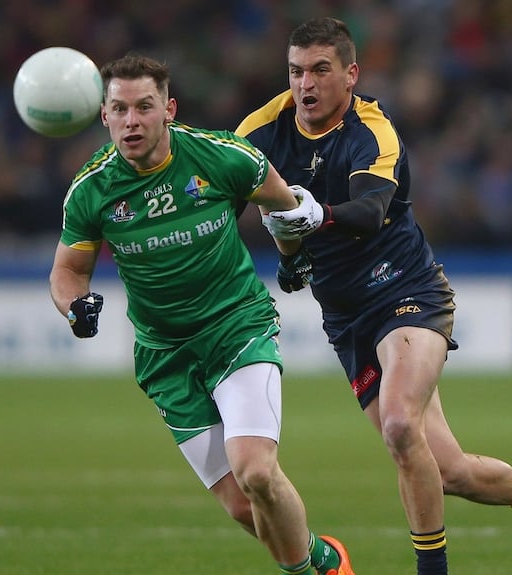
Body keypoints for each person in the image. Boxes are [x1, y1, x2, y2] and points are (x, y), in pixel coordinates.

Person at [235, 17, 512, 575]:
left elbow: (368, 212)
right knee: (450, 472)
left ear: (351, 74)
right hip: (347, 318)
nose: (306, 84)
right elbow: (224, 195)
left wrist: (309, 219)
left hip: (406, 292)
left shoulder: (373, 131)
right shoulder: (261, 129)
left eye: (321, 70)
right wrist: (290, 251)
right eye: (297, 71)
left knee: (399, 425)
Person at [48, 53, 354, 575]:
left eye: (144, 107)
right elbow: (68, 273)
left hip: (236, 328)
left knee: (257, 473)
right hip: (165, 357)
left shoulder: (222, 157)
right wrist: (76, 306)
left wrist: (291, 257)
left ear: (168, 109)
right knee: (242, 505)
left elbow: (283, 203)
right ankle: (324, 559)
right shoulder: (91, 191)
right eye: (119, 109)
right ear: (104, 116)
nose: (132, 121)